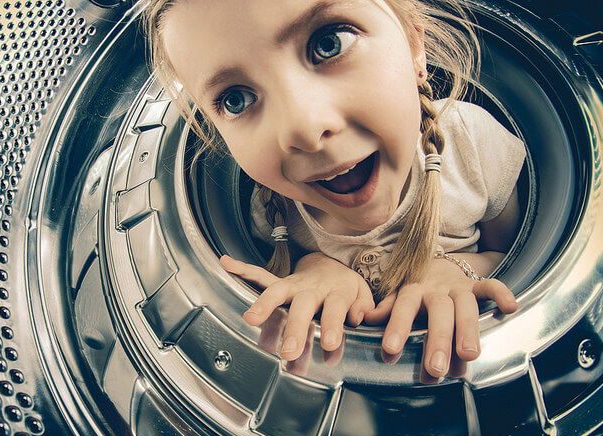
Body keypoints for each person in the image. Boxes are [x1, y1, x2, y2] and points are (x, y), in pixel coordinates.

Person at [142, 0, 525, 378]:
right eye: (236, 100)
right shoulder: (274, 212)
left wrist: (458, 271)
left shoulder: (472, 145)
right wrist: (311, 269)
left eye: (329, 43)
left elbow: (511, 254)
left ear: (413, 45)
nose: (304, 129)